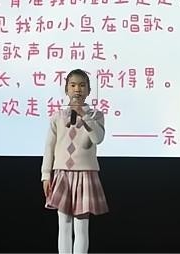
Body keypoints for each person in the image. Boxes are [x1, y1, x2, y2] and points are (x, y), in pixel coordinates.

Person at [41, 69, 108, 253]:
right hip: (62, 173)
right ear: (66, 89)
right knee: (63, 224)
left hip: (85, 174)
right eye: (73, 85)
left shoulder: (95, 115)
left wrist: (84, 116)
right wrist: (46, 175)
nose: (77, 89)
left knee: (81, 226)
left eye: (82, 85)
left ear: (89, 90)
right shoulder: (58, 116)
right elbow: (49, 146)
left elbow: (97, 138)